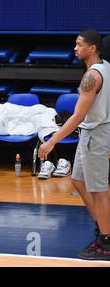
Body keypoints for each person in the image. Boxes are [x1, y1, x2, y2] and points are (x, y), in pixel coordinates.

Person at [38, 29, 110, 261]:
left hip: (96, 135)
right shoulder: (105, 66)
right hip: (91, 133)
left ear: (93, 48)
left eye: (80, 45)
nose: (75, 49)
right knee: (78, 180)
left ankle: (106, 243)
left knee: (99, 190)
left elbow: (77, 116)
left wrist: (51, 142)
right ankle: (103, 225)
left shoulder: (92, 77)